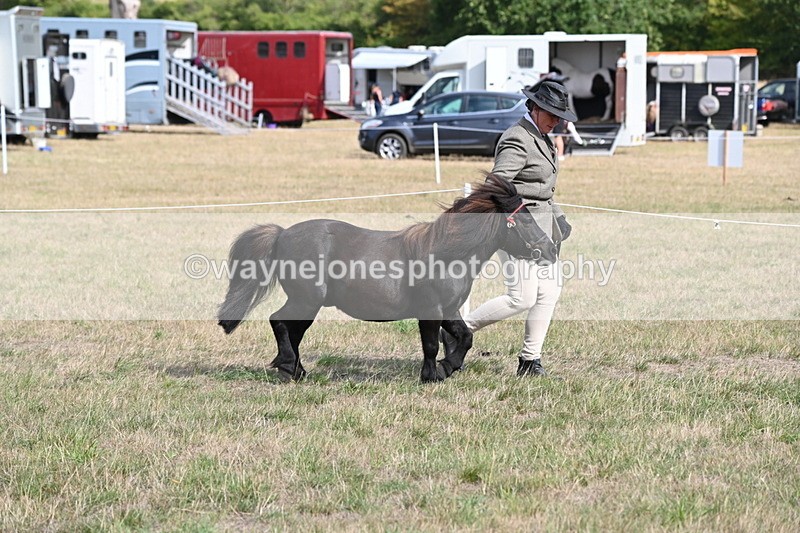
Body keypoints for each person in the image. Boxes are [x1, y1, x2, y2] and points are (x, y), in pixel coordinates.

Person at [444, 80, 577, 377]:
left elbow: (543, 189)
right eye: (553, 114)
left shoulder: (542, 137)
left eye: (560, 116)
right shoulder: (517, 138)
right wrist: (521, 221)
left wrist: (558, 216)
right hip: (518, 231)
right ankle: (457, 331)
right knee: (521, 297)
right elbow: (497, 185)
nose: (557, 121)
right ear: (535, 108)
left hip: (544, 231)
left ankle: (530, 361)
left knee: (549, 292)